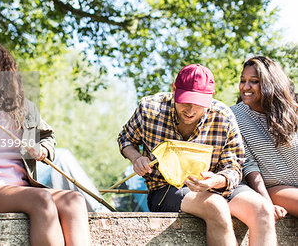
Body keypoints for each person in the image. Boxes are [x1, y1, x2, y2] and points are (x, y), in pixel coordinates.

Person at [117, 64, 277, 246]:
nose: (190, 110)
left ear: (211, 97)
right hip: (166, 189)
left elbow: (234, 167)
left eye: (199, 103)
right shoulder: (149, 109)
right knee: (216, 206)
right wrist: (136, 158)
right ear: (174, 89)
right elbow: (125, 139)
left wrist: (215, 181)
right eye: (185, 101)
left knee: (262, 209)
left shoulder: (223, 116)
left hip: (217, 186)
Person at [0, 40, 90, 246]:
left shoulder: (23, 108)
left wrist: (43, 149)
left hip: (22, 189)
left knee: (75, 201)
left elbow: (47, 136)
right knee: (41, 199)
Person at [231, 56, 298, 219]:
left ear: (270, 83)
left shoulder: (292, 110)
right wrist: (266, 202)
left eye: (254, 81)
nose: (245, 87)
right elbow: (249, 165)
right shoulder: (234, 116)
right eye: (243, 80)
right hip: (275, 188)